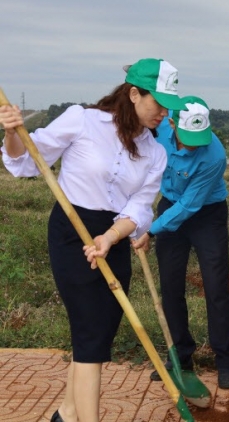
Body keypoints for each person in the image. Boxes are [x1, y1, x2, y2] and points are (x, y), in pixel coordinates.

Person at [0, 58, 183, 422]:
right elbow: (26, 163)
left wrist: (111, 236)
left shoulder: (155, 152)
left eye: (168, 106)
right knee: (88, 335)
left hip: (113, 239)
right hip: (73, 234)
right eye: (157, 103)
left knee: (98, 337)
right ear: (133, 94)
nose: (163, 113)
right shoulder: (81, 120)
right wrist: (11, 133)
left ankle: (66, 413)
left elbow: (141, 207)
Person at [133, 95, 229, 389]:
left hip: (207, 213)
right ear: (172, 124)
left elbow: (191, 205)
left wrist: (151, 231)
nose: (194, 143)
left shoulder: (214, 156)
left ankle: (226, 360)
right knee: (170, 287)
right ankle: (179, 357)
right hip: (169, 206)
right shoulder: (160, 131)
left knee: (216, 287)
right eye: (188, 136)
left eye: (200, 137)